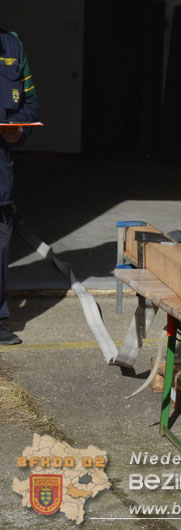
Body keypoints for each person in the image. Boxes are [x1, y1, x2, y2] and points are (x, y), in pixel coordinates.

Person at [0, 29, 38, 346]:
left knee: (0, 249)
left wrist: (19, 130)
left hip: (0, 176)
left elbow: (30, 102)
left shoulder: (13, 45)